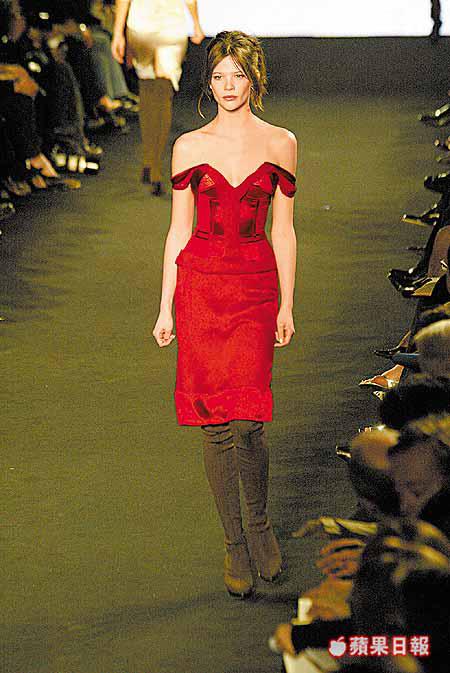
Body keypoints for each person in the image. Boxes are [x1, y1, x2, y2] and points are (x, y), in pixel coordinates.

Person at [152, 31, 297, 598]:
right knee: (215, 425)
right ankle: (234, 543)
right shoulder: (189, 146)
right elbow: (177, 231)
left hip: (255, 287)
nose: (227, 86)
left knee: (250, 422)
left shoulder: (282, 143)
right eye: (218, 76)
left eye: (237, 75)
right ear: (207, 83)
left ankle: (259, 526)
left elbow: (284, 230)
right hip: (201, 290)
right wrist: (165, 305)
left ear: (254, 79)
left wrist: (287, 301)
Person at [111, 0, 205, 194]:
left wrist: (118, 32)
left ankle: (149, 158)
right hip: (171, 26)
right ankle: (155, 165)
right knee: (163, 94)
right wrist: (196, 23)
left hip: (141, 25)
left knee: (147, 92)